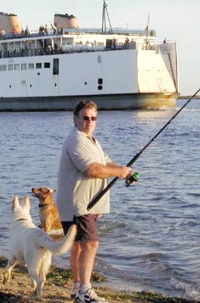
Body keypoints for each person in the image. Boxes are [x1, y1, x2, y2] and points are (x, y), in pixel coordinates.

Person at [57, 101, 132, 303]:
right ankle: (85, 291)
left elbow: (105, 162)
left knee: (79, 247)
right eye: (85, 117)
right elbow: (92, 169)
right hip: (79, 205)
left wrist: (126, 172)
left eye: (93, 118)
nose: (89, 121)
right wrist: (119, 172)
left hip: (80, 205)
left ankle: (76, 288)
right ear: (75, 119)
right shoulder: (77, 139)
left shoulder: (90, 140)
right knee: (91, 243)